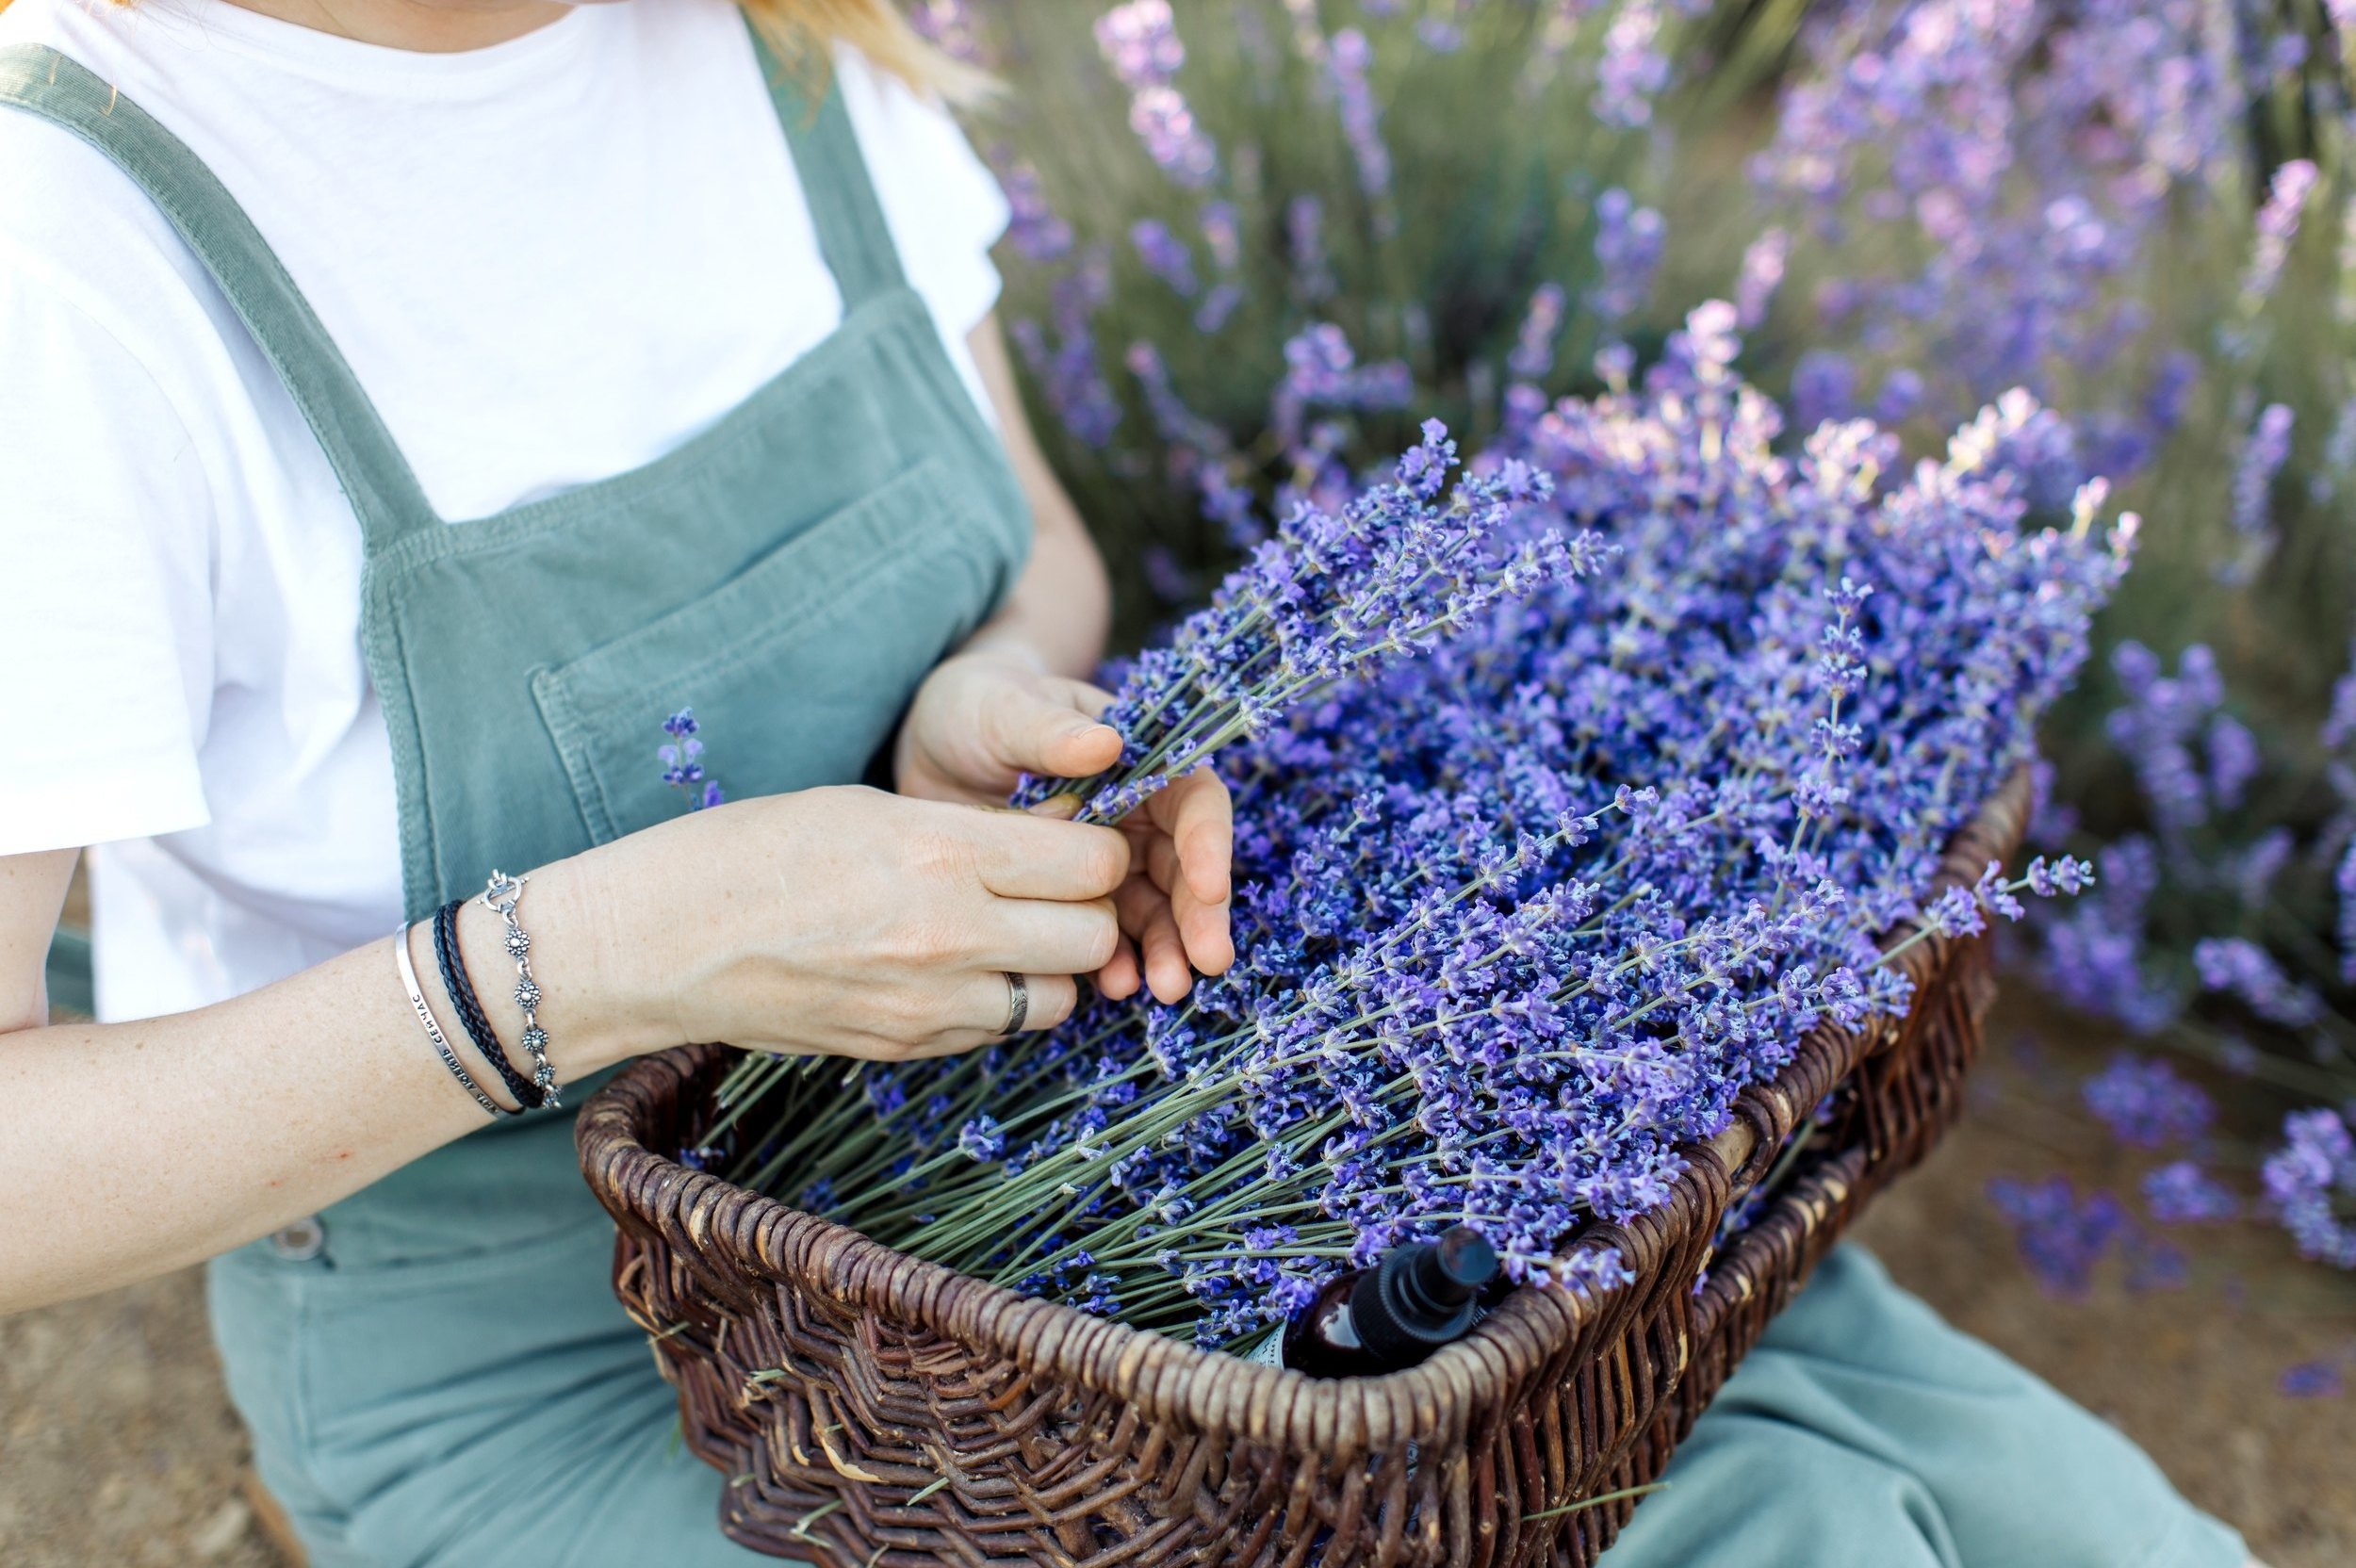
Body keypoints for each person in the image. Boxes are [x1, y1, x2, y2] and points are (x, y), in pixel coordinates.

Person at [0, 3, 2261, 1566]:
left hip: (1089, 1182)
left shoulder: (781, 44)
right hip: (563, 1341)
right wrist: (594, 961)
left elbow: (1034, 538)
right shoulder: (77, 252)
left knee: (1956, 1499)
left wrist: (989, 694)